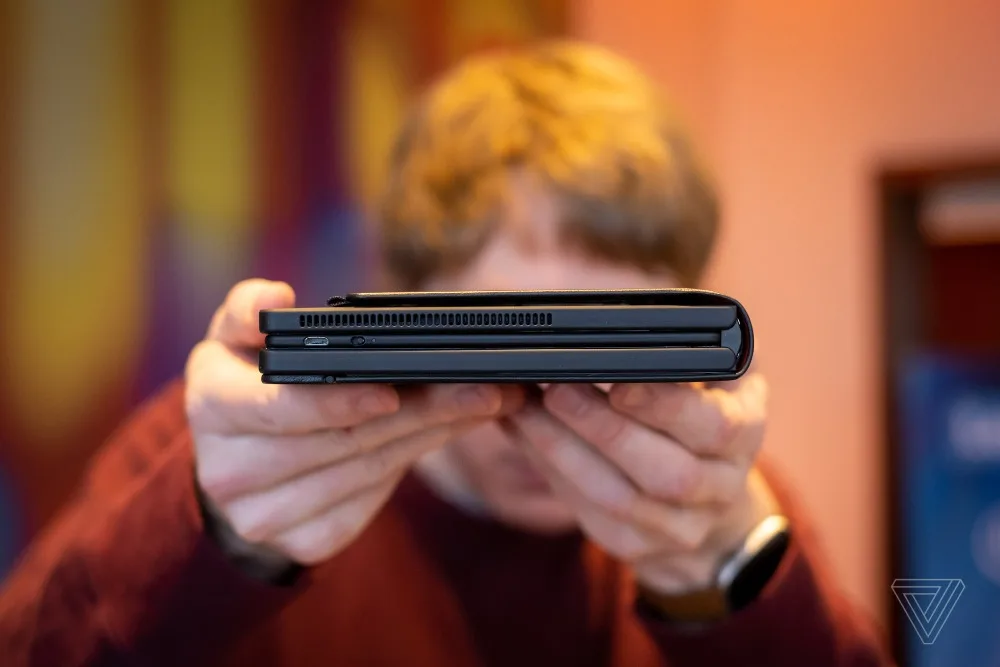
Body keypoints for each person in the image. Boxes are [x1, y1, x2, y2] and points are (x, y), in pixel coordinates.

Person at [0, 41, 891, 666]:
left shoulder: (708, 501)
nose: (547, 402)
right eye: (500, 335)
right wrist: (209, 546)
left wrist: (738, 578)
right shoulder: (249, 458)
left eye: (609, 347)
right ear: (404, 301)